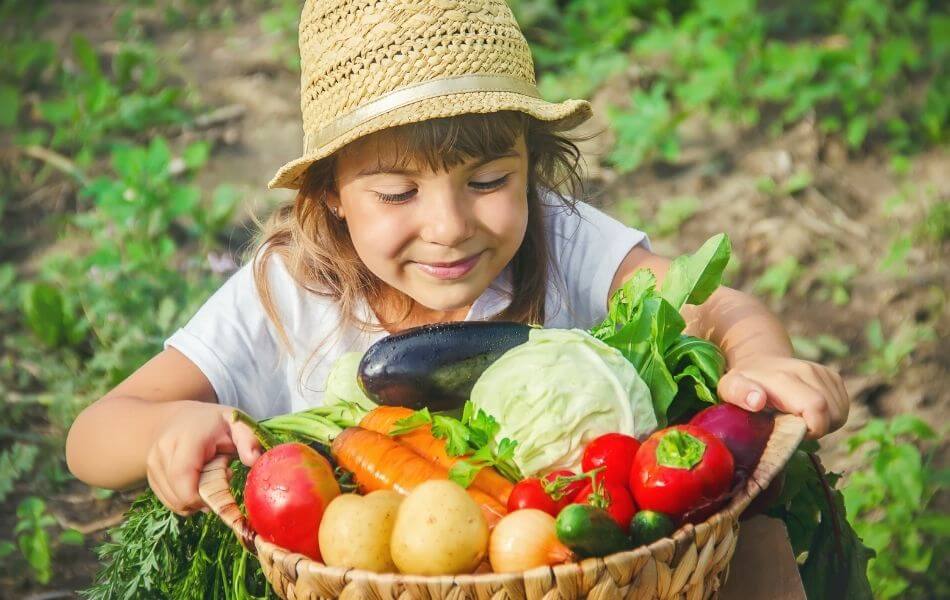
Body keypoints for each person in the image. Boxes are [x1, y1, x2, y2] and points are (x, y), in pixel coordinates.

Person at [65, 0, 848, 519]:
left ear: (531, 165)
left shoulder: (563, 237)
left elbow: (715, 304)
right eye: (397, 193)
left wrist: (761, 360)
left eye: (488, 182)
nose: (448, 226)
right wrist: (178, 424)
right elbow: (95, 434)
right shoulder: (290, 288)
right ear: (333, 192)